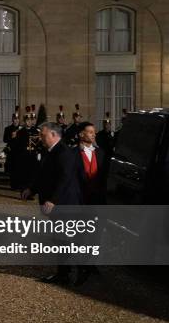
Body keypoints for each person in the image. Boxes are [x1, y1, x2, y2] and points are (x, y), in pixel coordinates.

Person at [21, 122, 82, 284]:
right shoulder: (51, 151)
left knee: (64, 239)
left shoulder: (63, 152)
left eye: (43, 135)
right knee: (60, 238)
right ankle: (64, 271)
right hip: (57, 202)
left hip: (64, 203)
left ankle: (66, 274)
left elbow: (64, 179)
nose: (41, 138)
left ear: (54, 135)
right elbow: (43, 175)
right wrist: (31, 190)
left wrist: (53, 200)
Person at [73, 121, 107, 286]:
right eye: (90, 132)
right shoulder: (73, 154)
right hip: (80, 201)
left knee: (96, 235)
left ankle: (91, 263)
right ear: (81, 134)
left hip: (97, 201)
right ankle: (80, 268)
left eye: (94, 132)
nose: (94, 134)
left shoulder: (101, 153)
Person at [3, 106, 24, 190]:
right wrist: (12, 136)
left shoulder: (22, 129)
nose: (16, 120)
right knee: (12, 169)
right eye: (14, 119)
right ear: (12, 119)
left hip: (19, 152)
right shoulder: (7, 129)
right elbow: (4, 140)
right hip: (11, 152)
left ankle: (19, 184)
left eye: (17, 119)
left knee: (19, 168)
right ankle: (13, 185)